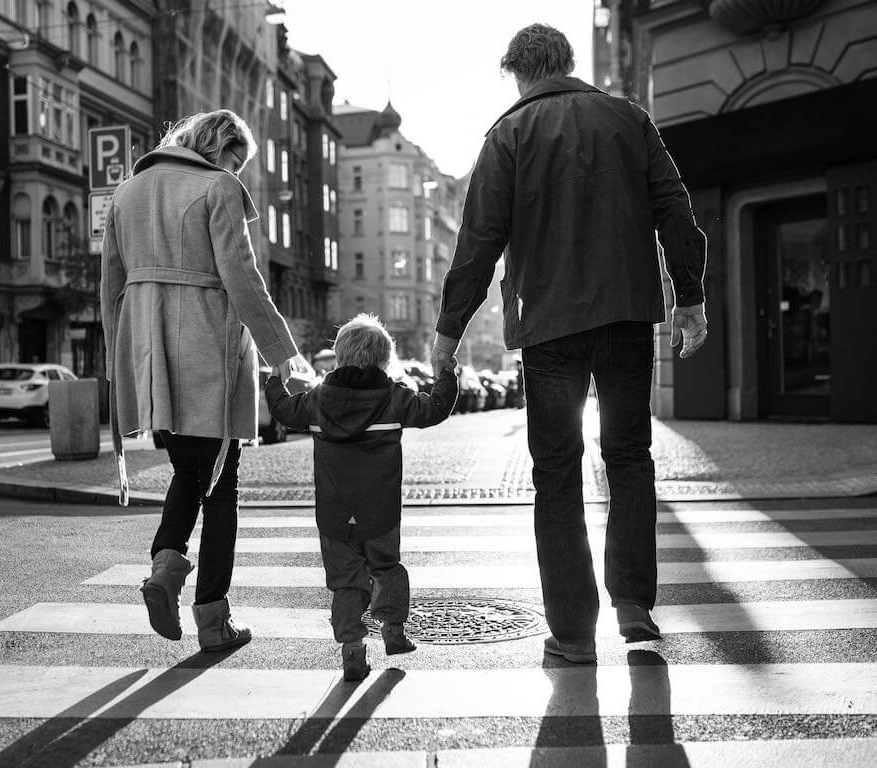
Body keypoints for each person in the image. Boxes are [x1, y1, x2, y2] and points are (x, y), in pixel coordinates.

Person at [431, 24, 708, 664]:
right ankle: (635, 604)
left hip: (548, 323)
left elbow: (477, 246)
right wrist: (689, 297)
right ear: (568, 63)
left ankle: (574, 632)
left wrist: (448, 337)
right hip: (626, 312)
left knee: (557, 473)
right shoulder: (627, 118)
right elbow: (675, 208)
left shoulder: (507, 135)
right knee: (629, 456)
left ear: (518, 72)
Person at [100, 109, 313, 652]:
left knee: (188, 472)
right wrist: (286, 357)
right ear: (216, 148)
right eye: (236, 160)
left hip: (151, 357)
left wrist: (119, 363)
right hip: (207, 352)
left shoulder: (125, 194)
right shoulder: (217, 189)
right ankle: (213, 619)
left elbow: (110, 290)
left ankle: (165, 574)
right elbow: (243, 280)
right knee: (220, 487)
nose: (237, 173)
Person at [265, 314, 458, 681]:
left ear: (338, 358)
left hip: (335, 514)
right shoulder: (394, 398)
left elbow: (283, 411)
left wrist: (277, 379)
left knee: (346, 580)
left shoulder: (317, 400)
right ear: (385, 360)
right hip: (380, 510)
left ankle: (352, 647)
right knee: (386, 567)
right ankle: (393, 630)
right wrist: (446, 374)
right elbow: (435, 409)